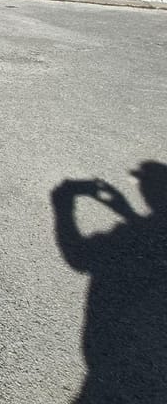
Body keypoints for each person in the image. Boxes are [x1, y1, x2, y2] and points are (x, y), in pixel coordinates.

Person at [51, 162, 167, 403]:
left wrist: (63, 201)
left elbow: (79, 256)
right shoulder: (147, 233)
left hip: (124, 369)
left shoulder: (134, 238)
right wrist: (128, 214)